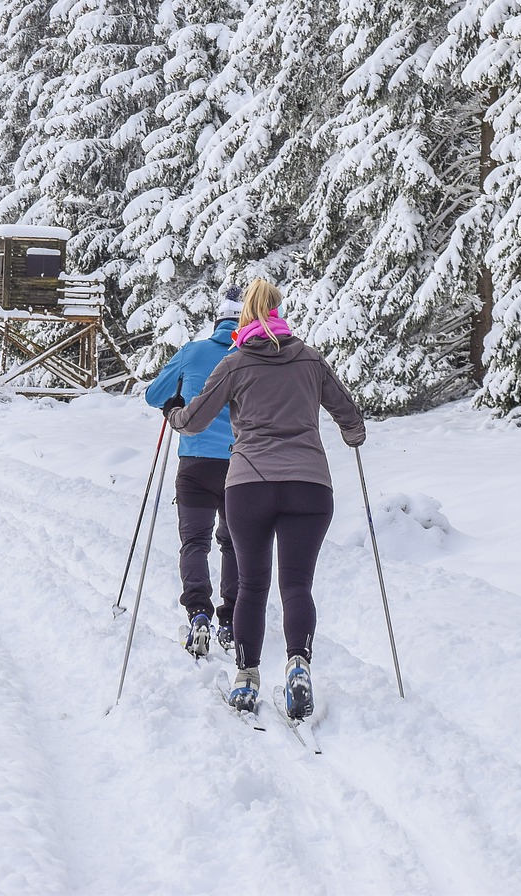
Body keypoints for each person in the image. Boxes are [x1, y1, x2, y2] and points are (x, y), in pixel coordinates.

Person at [166, 277, 365, 722]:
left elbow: (196, 419)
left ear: (245, 318)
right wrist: (353, 435)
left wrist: (175, 416)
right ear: (279, 311)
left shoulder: (235, 364)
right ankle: (298, 664)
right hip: (310, 485)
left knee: (253, 586)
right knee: (297, 586)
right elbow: (349, 414)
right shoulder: (311, 360)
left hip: (250, 485)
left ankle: (246, 678)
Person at [143, 286, 243, 658]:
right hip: (241, 465)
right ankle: (231, 619)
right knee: (233, 543)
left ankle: (198, 613)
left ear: (216, 322)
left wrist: (177, 400)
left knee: (195, 543)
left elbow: (154, 395)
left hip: (196, 463)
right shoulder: (250, 354)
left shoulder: (193, 352)